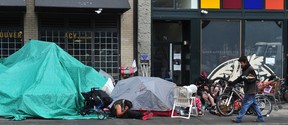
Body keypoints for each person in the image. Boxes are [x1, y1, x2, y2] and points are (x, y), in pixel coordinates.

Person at [229, 56, 264, 123]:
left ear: (245, 62)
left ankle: (238, 118)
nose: (240, 65)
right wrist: (232, 83)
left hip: (251, 90)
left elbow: (254, 78)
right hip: (249, 90)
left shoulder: (250, 69)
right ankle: (260, 117)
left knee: (245, 105)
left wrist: (246, 79)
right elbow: (241, 78)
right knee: (254, 104)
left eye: (241, 63)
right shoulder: (245, 69)